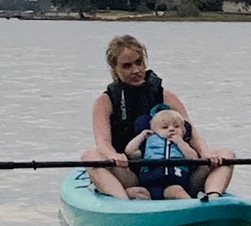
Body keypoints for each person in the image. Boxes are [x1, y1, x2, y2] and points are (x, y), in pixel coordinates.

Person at [82, 34, 234, 201]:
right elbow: (102, 142)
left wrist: (206, 154)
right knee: (91, 157)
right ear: (114, 67)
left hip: (178, 173)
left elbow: (193, 135)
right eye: (127, 66)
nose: (136, 70)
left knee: (227, 153)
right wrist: (114, 155)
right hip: (132, 175)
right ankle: (124, 201)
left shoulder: (165, 96)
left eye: (139, 62)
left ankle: (213, 197)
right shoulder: (105, 101)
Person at [125, 106, 197, 201]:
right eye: (165, 127)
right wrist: (141, 136)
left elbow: (193, 158)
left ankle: (191, 209)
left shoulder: (182, 146)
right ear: (154, 131)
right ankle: (148, 207)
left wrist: (180, 143)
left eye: (176, 126)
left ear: (183, 131)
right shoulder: (149, 147)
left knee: (177, 191)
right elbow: (130, 152)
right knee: (130, 192)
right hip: (149, 187)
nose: (171, 129)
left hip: (172, 185)